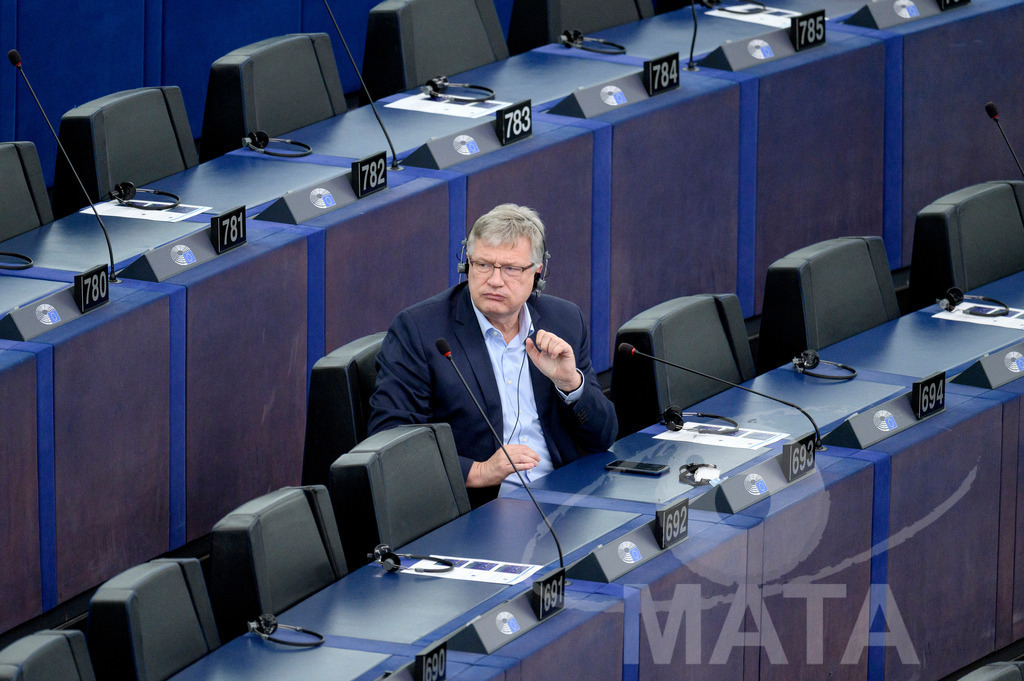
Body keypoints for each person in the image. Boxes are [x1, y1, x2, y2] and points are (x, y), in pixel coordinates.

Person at [368, 203, 617, 504]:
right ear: (467, 264)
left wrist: (571, 385)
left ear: (538, 271)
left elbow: (603, 437)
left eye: (511, 268)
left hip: (564, 497)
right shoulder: (421, 331)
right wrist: (478, 472)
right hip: (479, 510)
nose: (495, 280)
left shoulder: (563, 320)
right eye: (483, 265)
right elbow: (390, 438)